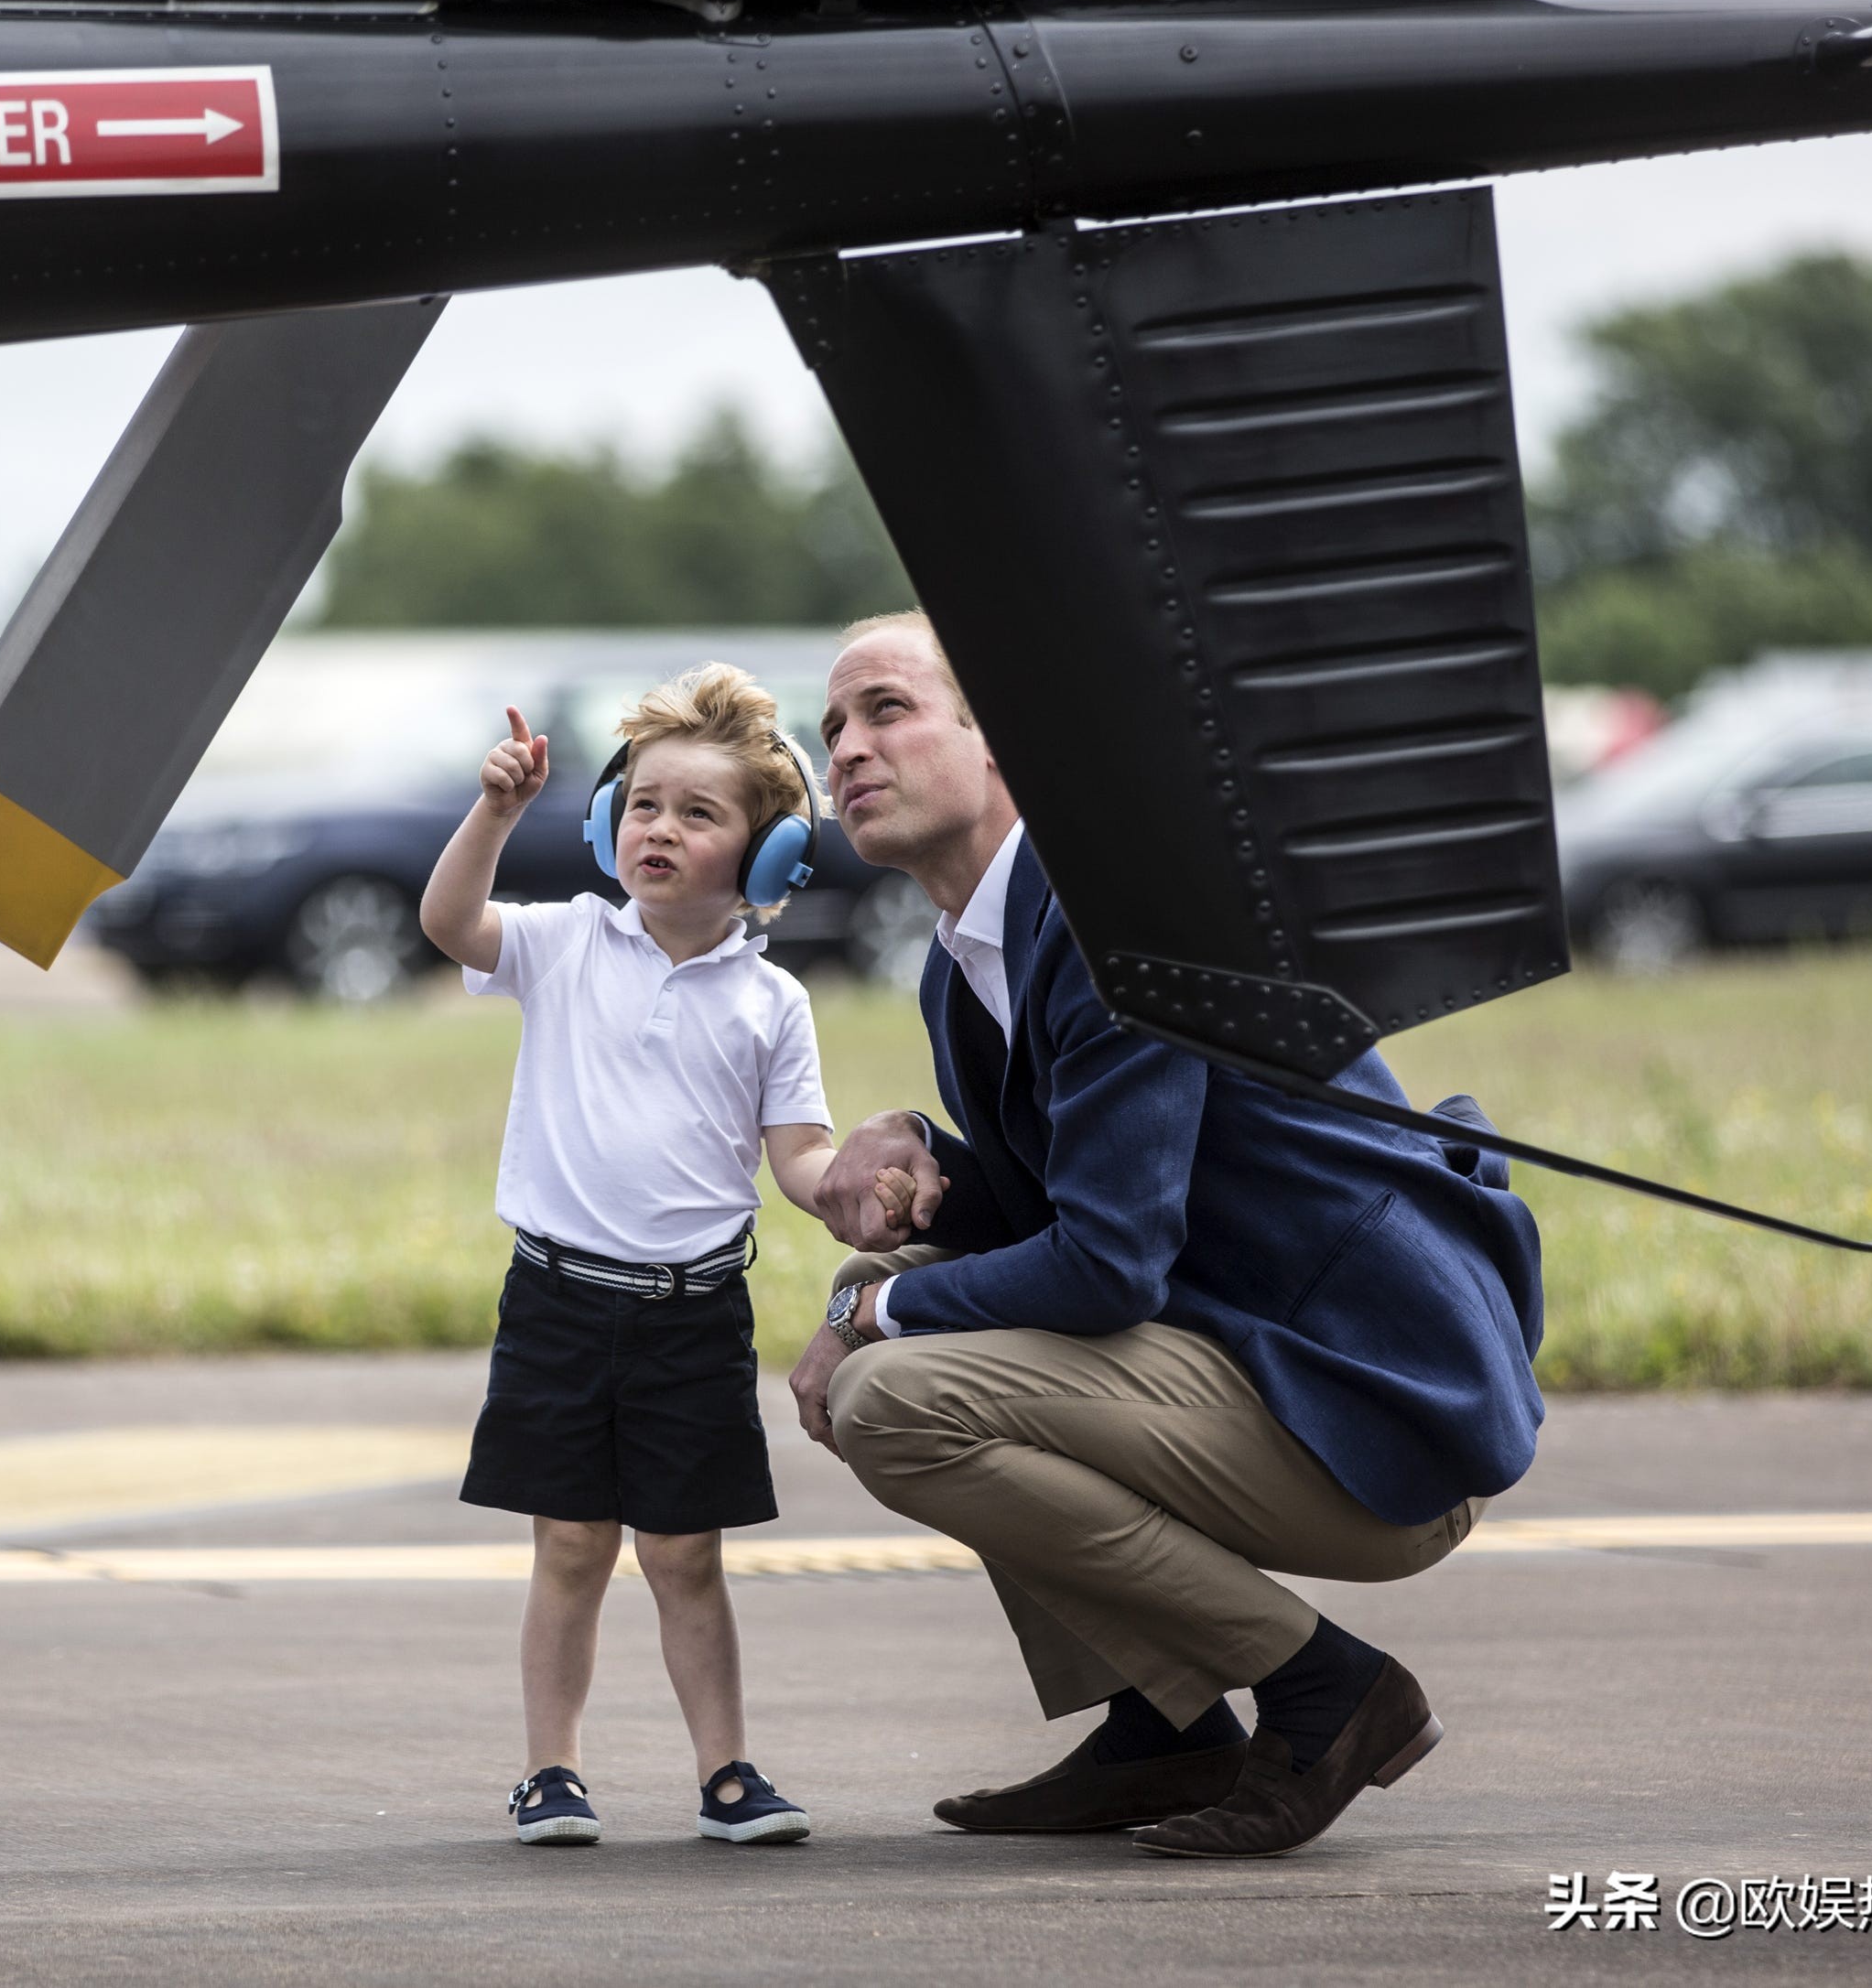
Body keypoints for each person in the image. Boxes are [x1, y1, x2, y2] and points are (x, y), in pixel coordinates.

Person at [789, 612, 1545, 1860]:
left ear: (1005, 749)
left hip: (1372, 1407)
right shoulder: (966, 959)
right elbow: (1062, 1210)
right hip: (1240, 1363)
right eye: (833, 730)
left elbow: (1105, 1268)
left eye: (887, 710)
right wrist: (919, 1170)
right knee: (894, 1294)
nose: (847, 753)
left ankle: (1325, 1689)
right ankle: (1165, 1725)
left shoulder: (1113, 926)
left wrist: (864, 1318)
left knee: (894, 1396)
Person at [421, 664, 837, 1848]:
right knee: (568, 1547)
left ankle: (728, 1773)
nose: (660, 827)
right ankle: (551, 1770)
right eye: (644, 804)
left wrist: (851, 1192)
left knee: (686, 1554)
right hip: (558, 1300)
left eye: (700, 814)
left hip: (693, 1314)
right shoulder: (562, 944)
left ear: (764, 861)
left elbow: (797, 1157)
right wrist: (495, 813)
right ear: (608, 825)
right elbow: (452, 924)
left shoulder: (771, 1004)